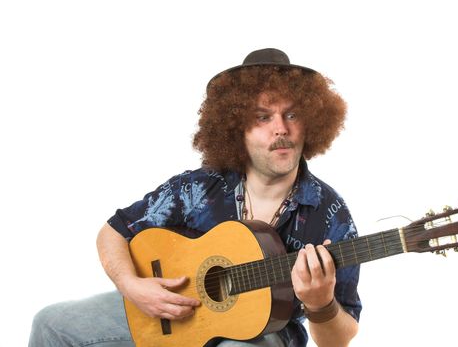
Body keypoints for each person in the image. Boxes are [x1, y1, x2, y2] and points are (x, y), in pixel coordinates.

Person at [29, 48, 361, 347]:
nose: (281, 129)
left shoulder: (328, 212)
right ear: (236, 129)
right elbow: (113, 232)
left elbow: (340, 338)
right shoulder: (199, 188)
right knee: (51, 325)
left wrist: (321, 305)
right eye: (263, 117)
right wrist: (131, 285)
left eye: (292, 115)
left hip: (267, 334)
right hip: (173, 317)